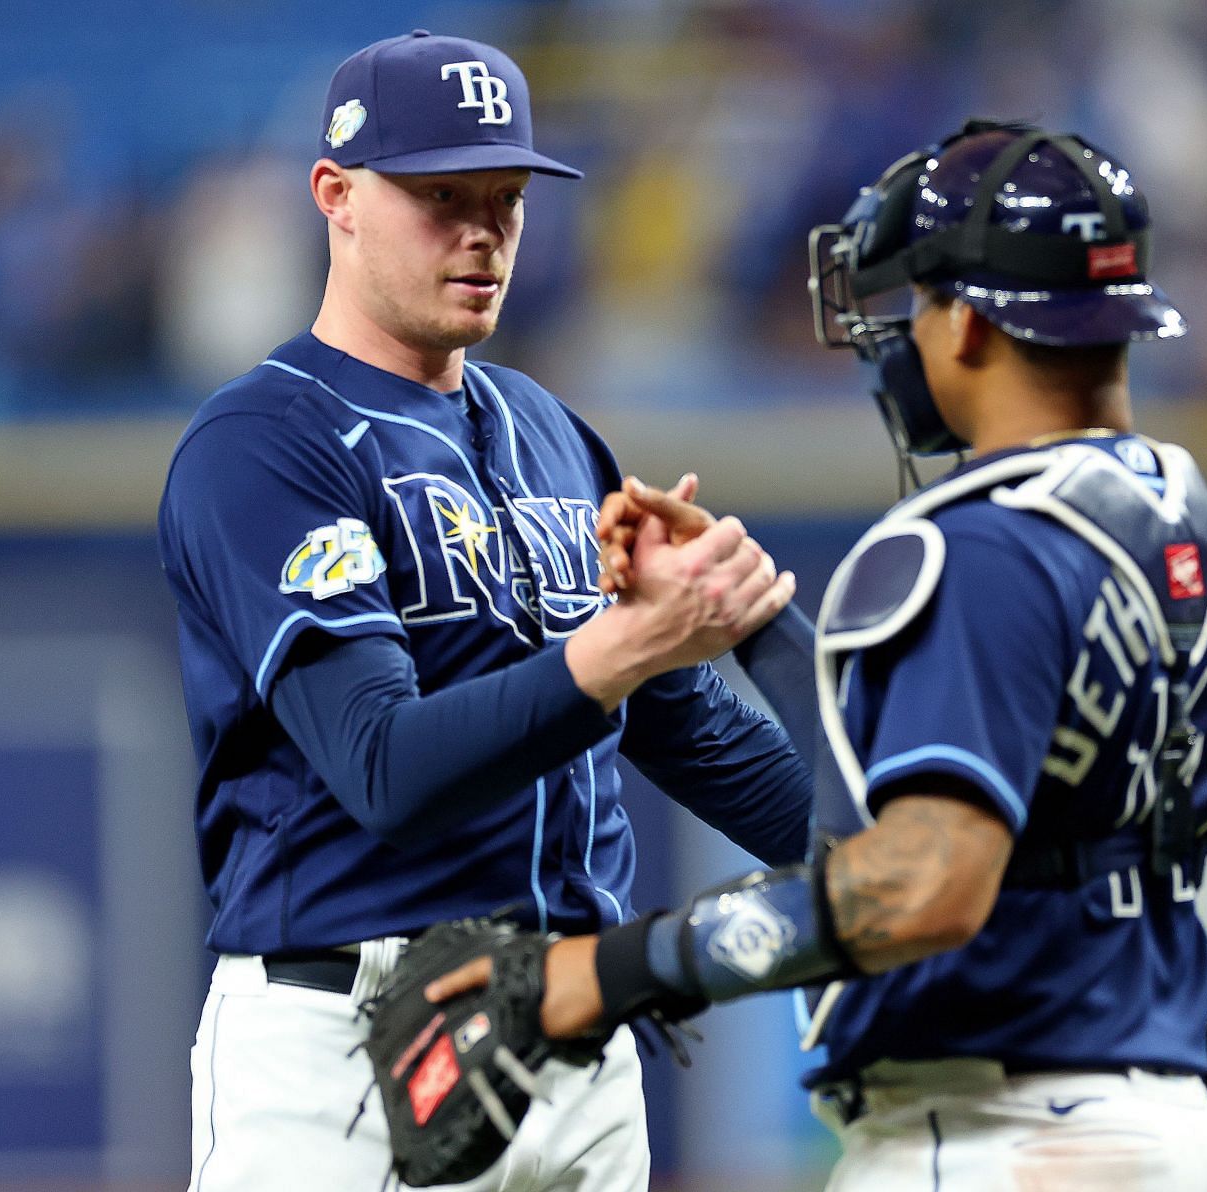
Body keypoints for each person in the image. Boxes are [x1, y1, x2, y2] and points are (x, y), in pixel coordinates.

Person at [433, 120, 1207, 1189]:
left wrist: (604, 972)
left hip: (993, 1136)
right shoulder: (1177, 517)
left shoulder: (982, 544)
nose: (900, 337)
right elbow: (980, 792)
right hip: (1157, 1119)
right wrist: (760, 622)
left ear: (966, 323)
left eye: (914, 303)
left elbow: (921, 886)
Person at [155, 30, 814, 1192]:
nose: (482, 231)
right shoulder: (265, 443)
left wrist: (959, 857)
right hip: (345, 1046)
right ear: (337, 196)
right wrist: (618, 650)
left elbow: (693, 732)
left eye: (504, 196)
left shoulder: (552, 431)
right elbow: (385, 769)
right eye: (439, 195)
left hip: (571, 1038)